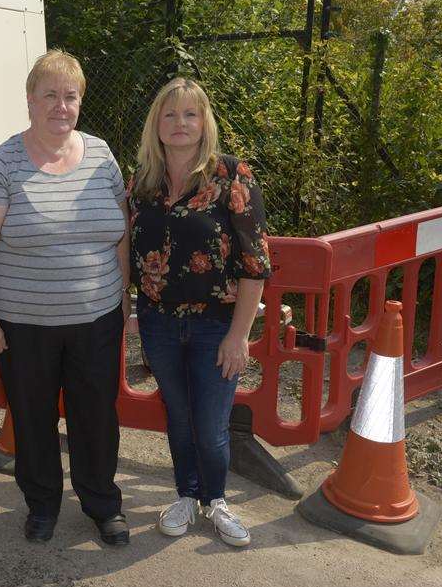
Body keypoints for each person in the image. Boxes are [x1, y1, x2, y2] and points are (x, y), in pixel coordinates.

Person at [0, 50, 131, 546]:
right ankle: (42, 505)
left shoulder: (102, 155)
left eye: (70, 96)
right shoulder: (3, 163)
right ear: (31, 100)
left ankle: (103, 505)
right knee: (33, 419)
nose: (61, 105)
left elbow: (119, 233)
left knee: (96, 415)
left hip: (97, 318)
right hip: (23, 324)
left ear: (80, 102)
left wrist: (122, 293)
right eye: (50, 95)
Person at [128, 77, 271, 547]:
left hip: (216, 325)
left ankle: (217, 500)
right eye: (170, 114)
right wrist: (129, 310)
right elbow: (126, 250)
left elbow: (255, 264)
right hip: (158, 322)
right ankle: (186, 495)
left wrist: (239, 336)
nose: (180, 123)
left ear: (204, 121)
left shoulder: (234, 176)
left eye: (190, 114)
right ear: (157, 124)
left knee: (210, 426)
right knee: (179, 418)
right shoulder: (142, 183)